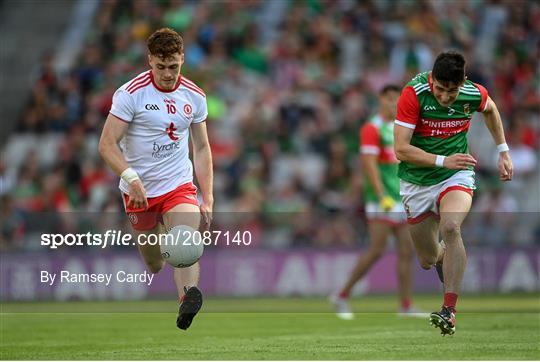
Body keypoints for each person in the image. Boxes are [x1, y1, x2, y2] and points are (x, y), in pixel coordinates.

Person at [98, 28, 213, 331]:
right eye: (160, 67)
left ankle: (186, 299)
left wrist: (208, 196)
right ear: (149, 60)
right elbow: (106, 145)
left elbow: (201, 147)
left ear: (182, 59)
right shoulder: (130, 94)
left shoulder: (195, 96)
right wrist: (131, 177)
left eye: (173, 66)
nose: (167, 74)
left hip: (178, 185)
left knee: (185, 241)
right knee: (155, 264)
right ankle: (164, 240)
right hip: (138, 192)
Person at [394, 51, 513, 335]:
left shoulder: (473, 93)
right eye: (441, 89)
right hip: (416, 181)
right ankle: (443, 256)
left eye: (452, 91)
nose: (446, 96)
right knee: (426, 259)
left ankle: (449, 310)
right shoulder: (413, 94)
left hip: (456, 173)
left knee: (451, 225)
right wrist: (440, 160)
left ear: (463, 83)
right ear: (432, 80)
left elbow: (491, 110)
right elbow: (400, 149)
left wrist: (503, 151)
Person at [330, 85, 420, 319]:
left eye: (396, 100)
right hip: (382, 200)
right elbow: (368, 165)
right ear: (381, 100)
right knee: (377, 249)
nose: (393, 104)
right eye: (389, 99)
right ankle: (341, 295)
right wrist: (381, 195)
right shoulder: (372, 128)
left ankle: (405, 306)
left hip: (402, 198)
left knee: (406, 252)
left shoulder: (401, 129)